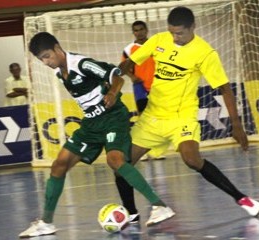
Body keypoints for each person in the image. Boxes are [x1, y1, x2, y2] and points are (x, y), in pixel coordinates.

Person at [19, 32, 175, 238]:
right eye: (42, 59)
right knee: (58, 165)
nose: (46, 62)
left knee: (115, 160)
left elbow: (116, 76)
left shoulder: (82, 64)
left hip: (112, 118)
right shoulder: (60, 73)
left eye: (48, 56)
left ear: (57, 48)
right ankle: (46, 223)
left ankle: (160, 206)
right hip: (91, 125)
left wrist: (111, 92)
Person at [116, 6, 259, 223]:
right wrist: (117, 73)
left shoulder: (204, 52)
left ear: (193, 27)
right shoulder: (158, 40)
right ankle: (132, 215)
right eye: (172, 32)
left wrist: (236, 124)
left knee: (192, 159)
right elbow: (130, 62)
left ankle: (242, 199)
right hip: (153, 116)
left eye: (180, 33)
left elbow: (224, 88)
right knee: (121, 164)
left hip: (181, 117)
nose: (175, 37)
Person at [122, 20, 165, 161]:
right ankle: (143, 151)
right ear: (133, 32)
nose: (139, 32)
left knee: (159, 118)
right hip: (140, 87)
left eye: (141, 29)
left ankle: (157, 150)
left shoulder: (157, 45)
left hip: (157, 86)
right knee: (144, 119)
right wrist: (132, 76)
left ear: (146, 30)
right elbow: (123, 67)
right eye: (136, 30)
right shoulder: (129, 49)